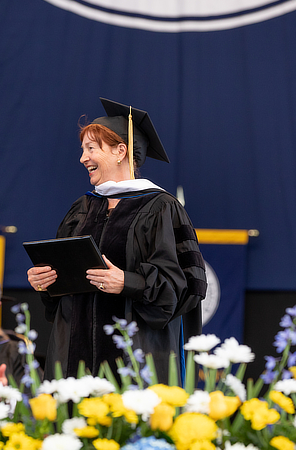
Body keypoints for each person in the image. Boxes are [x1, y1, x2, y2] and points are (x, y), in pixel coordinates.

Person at [27, 98, 207, 382]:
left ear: (120, 151)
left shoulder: (161, 207)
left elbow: (182, 288)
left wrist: (128, 282)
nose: (83, 158)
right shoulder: (82, 208)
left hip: (137, 355)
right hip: (75, 356)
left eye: (91, 148)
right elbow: (62, 290)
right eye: (82, 149)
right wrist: (45, 281)